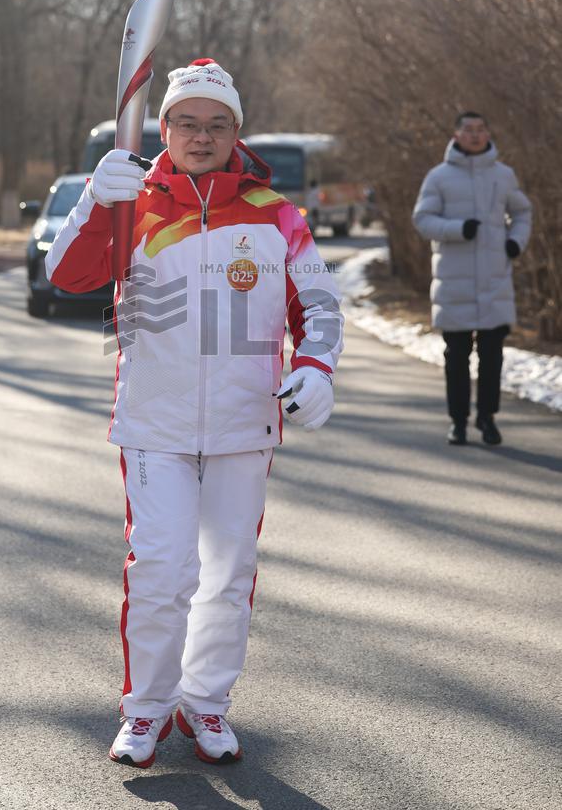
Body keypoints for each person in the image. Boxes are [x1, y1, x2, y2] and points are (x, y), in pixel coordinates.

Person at [45, 59, 344, 768]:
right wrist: (93, 200)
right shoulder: (130, 200)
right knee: (160, 566)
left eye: (216, 125)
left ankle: (205, 703)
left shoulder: (276, 212)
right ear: (165, 128)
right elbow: (68, 277)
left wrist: (314, 367)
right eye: (187, 123)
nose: (201, 136)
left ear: (235, 131)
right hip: (155, 422)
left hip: (246, 422)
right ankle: (145, 709)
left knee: (228, 571)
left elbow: (321, 306)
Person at [412, 111, 532, 446]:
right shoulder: (439, 177)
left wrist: (515, 242)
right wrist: (457, 229)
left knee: (493, 356)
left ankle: (487, 418)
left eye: (481, 129)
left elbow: (522, 212)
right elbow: (422, 219)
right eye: (469, 130)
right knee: (457, 356)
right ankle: (458, 422)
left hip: (495, 279)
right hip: (454, 281)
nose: (476, 135)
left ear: (488, 132)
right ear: (456, 134)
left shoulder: (503, 175)